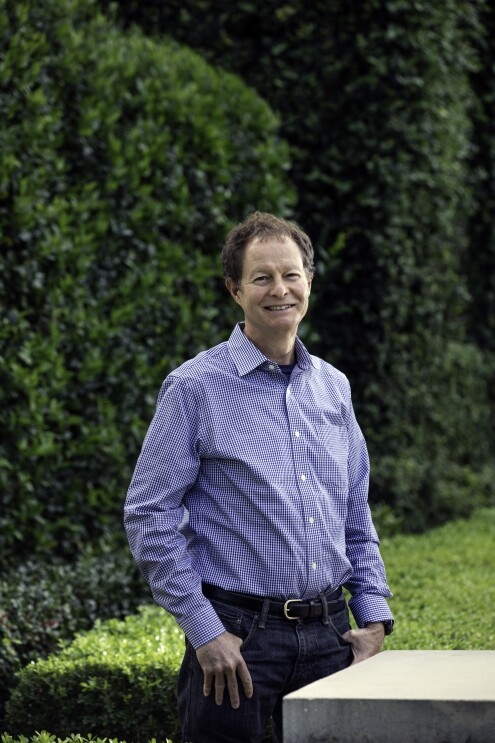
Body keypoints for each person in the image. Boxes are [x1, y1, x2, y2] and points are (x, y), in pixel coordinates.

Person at [124, 211, 394, 743]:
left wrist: (374, 621)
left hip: (333, 639)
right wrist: (206, 634)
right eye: (261, 277)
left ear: (309, 282)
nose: (280, 290)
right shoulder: (192, 387)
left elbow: (355, 512)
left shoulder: (334, 388)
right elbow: (149, 514)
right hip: (238, 643)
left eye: (291, 275)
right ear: (235, 289)